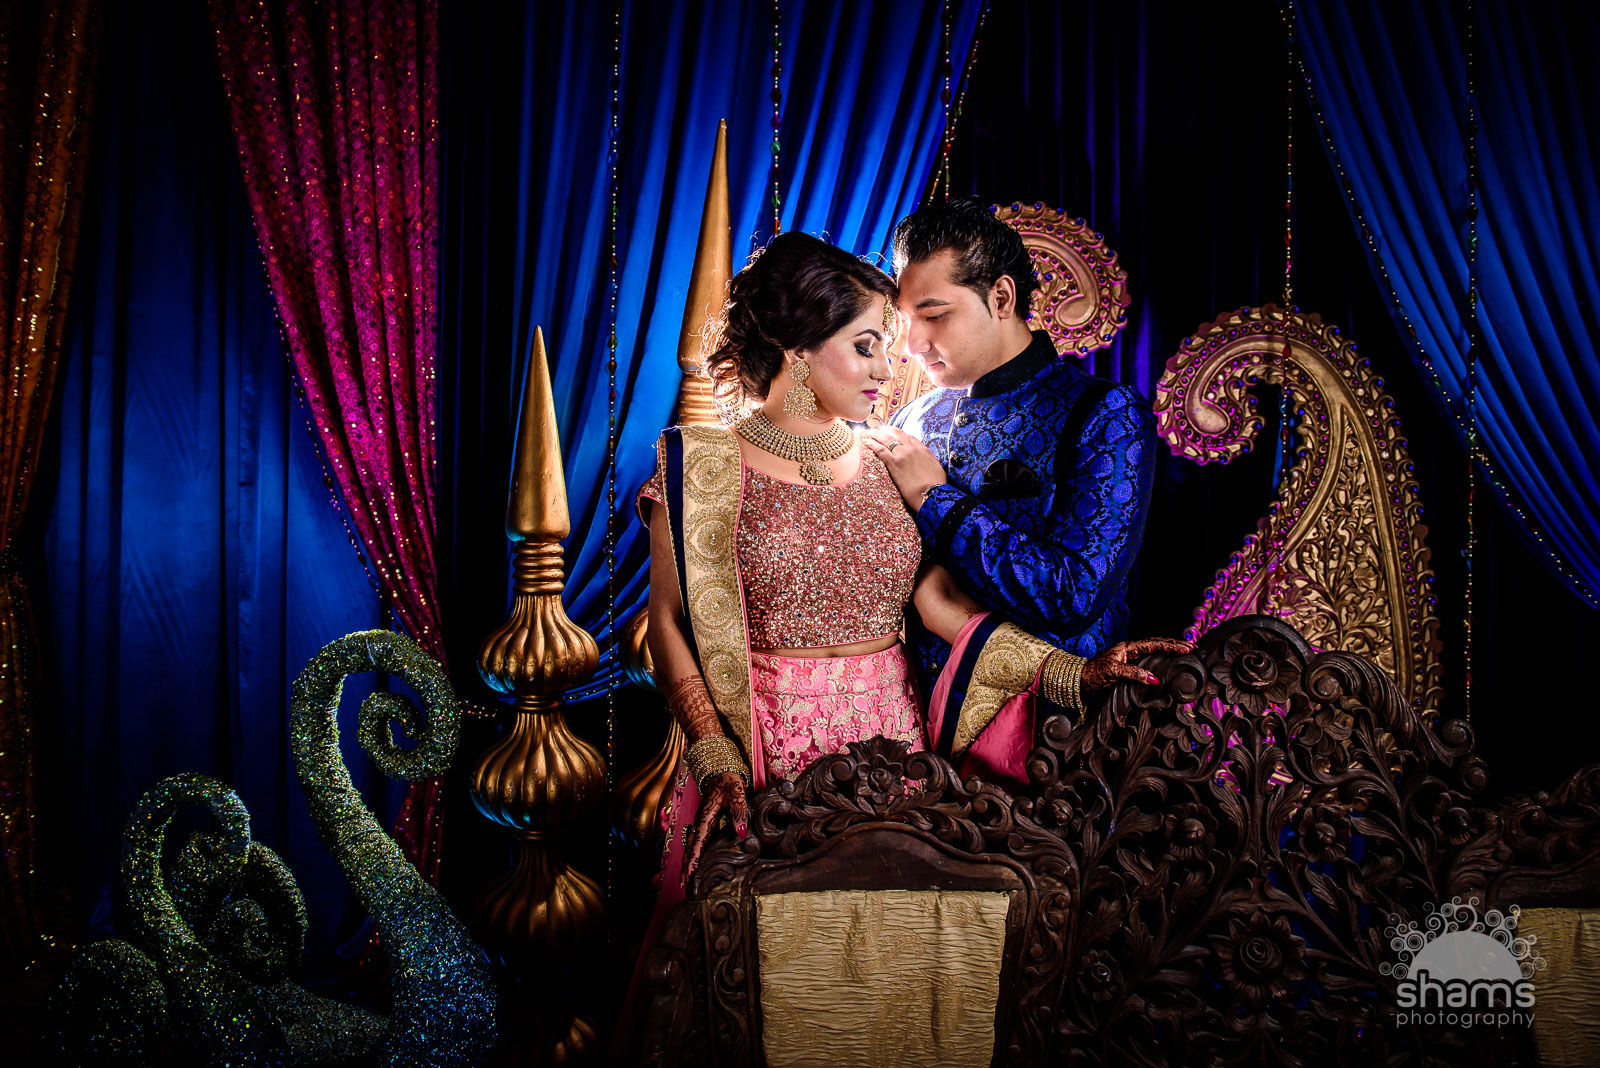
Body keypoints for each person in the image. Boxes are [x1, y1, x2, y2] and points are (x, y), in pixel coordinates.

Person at [636, 231, 1185, 893]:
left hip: (894, 751)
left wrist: (1072, 673)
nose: (887, 369)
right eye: (866, 346)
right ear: (798, 348)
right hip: (764, 746)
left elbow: (939, 603)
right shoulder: (701, 467)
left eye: (887, 345)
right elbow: (667, 620)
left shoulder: (888, 459)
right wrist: (711, 748)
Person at [864, 197, 1158, 695]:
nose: (912, 344)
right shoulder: (911, 419)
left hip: (1055, 717)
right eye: (906, 318)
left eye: (933, 315)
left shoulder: (1104, 412)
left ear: (1001, 298)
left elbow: (1072, 596)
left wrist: (934, 499)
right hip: (914, 716)